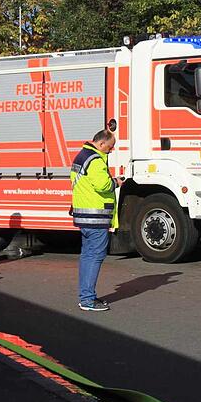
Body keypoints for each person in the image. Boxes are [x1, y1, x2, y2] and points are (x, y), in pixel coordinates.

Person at [70, 129, 124, 312]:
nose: (111, 150)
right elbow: (103, 185)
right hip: (96, 217)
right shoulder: (95, 160)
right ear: (101, 144)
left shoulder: (82, 155)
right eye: (109, 147)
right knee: (95, 257)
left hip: (85, 217)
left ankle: (86, 296)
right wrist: (116, 182)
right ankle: (87, 300)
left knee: (87, 256)